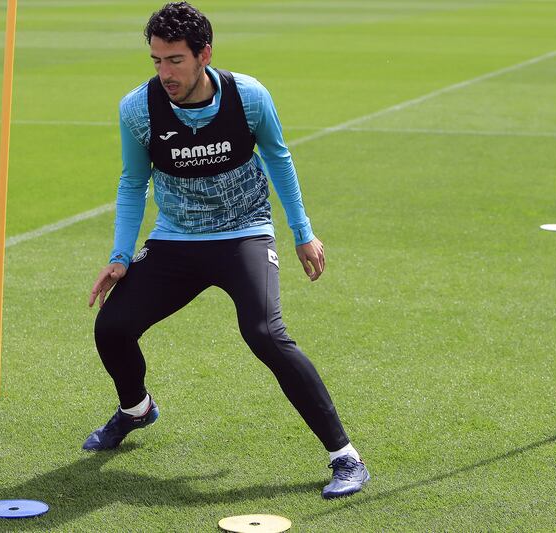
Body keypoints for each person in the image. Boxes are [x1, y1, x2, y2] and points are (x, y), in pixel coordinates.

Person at [85, 1, 369, 499]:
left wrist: (302, 232)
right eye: (156, 60)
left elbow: (278, 158)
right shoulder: (137, 108)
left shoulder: (248, 96)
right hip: (175, 239)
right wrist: (120, 255)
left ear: (204, 55)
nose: (164, 72)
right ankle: (136, 408)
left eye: (175, 60)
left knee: (264, 333)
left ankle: (345, 457)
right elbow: (133, 182)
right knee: (111, 326)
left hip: (244, 233)